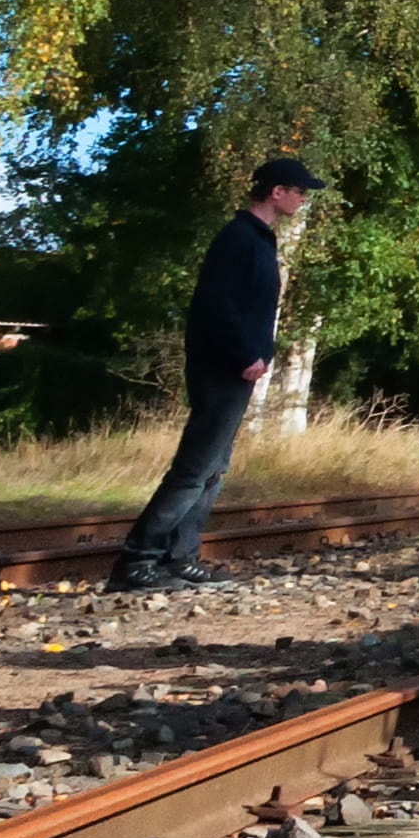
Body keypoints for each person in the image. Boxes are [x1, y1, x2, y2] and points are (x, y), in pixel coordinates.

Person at [110, 156, 317, 592]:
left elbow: (255, 310)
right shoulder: (239, 237)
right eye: (300, 190)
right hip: (221, 368)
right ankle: (137, 561)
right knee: (194, 468)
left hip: (238, 370)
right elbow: (215, 305)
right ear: (276, 191)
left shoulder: (261, 239)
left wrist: (266, 352)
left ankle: (179, 557)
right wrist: (246, 353)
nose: (304, 198)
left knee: (212, 470)